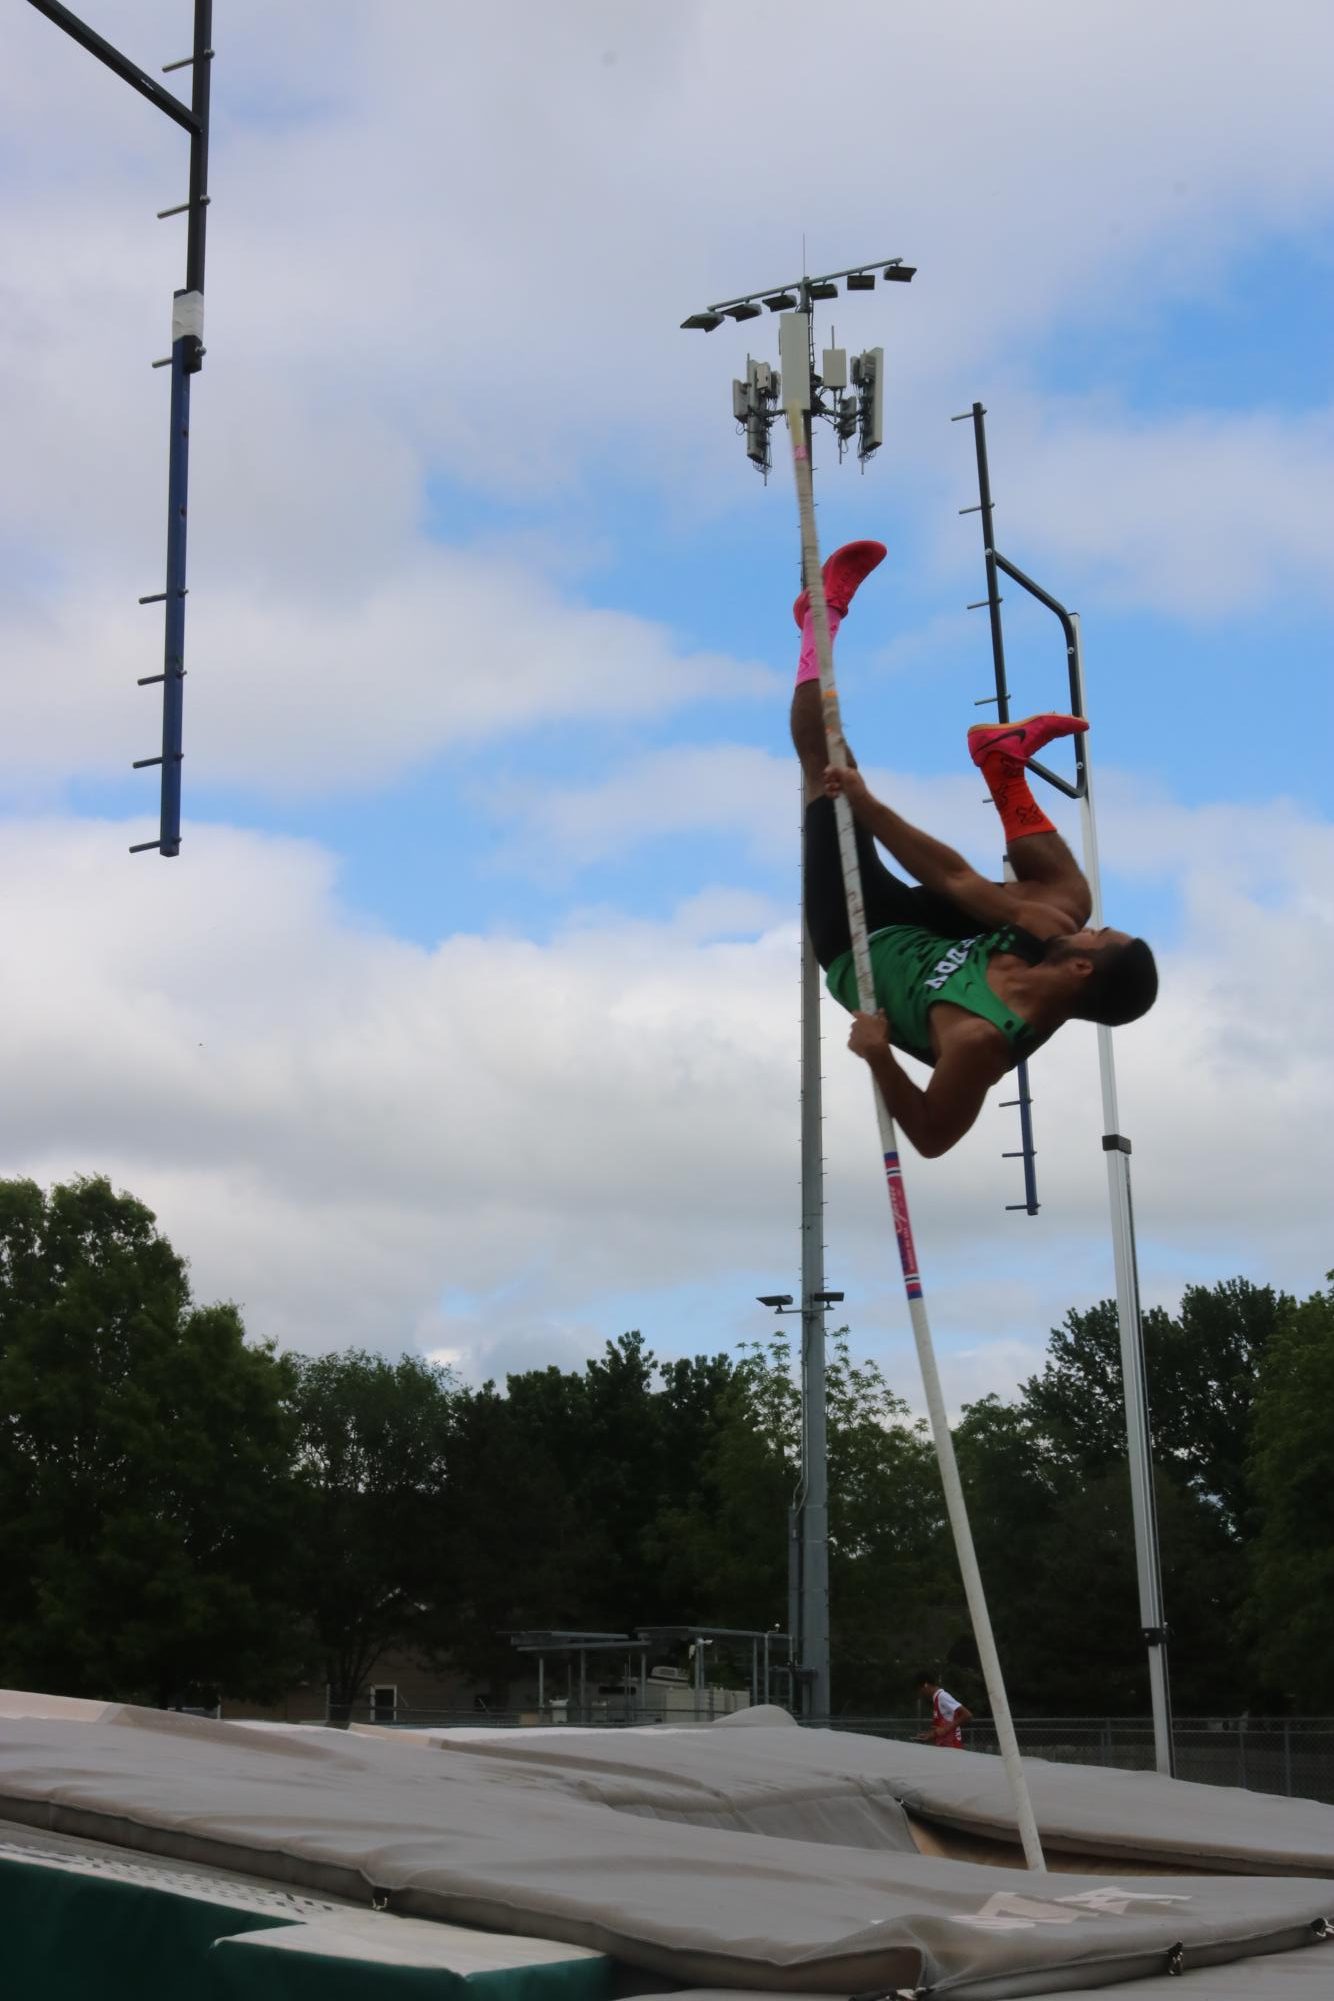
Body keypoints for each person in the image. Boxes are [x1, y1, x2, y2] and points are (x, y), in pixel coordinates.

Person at [791, 539, 1158, 1160]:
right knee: (1066, 898)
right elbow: (958, 881)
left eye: (1099, 939)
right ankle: (1002, 763)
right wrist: (871, 806)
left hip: (857, 946)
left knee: (827, 760)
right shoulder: (1044, 937)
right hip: (929, 932)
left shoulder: (982, 1041)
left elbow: (934, 1136)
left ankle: (816, 619)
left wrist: (881, 1056)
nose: (1091, 931)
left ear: (1082, 969)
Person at [915, 1669, 972, 1748]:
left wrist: (945, 1729)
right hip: (944, 1747)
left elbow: (967, 1715)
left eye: (920, 1689)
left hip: (953, 1747)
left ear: (925, 1685)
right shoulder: (936, 1699)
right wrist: (929, 1735)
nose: (920, 1693)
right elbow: (941, 1728)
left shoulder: (942, 1696)